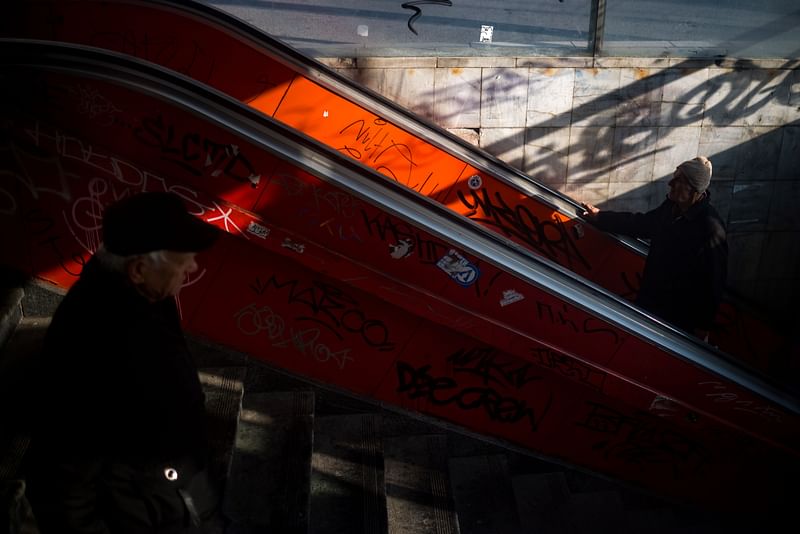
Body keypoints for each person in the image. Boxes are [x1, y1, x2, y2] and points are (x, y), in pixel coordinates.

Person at [23, 191, 223, 533]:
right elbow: (67, 465)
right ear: (140, 269)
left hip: (166, 486)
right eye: (185, 259)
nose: (193, 266)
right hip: (140, 502)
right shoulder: (97, 342)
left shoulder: (141, 297)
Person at [582, 156, 728, 341]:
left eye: (677, 180)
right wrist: (601, 217)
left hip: (677, 322)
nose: (670, 184)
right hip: (650, 304)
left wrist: (702, 327)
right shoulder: (671, 208)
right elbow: (641, 223)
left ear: (693, 189)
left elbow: (713, 283)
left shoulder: (710, 228)